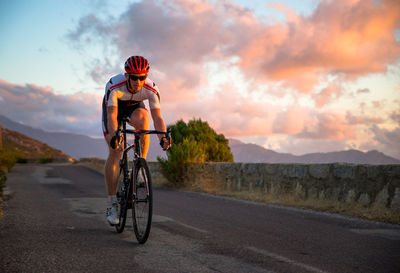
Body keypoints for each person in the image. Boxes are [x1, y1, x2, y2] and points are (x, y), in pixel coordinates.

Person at [102, 56, 170, 225]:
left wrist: (163, 137)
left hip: (134, 107)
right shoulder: (114, 85)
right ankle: (112, 205)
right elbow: (111, 115)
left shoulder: (151, 88)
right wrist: (114, 135)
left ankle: (140, 165)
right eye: (134, 77)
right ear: (127, 76)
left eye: (142, 77)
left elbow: (157, 117)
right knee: (116, 150)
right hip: (114, 108)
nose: (138, 81)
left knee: (144, 119)